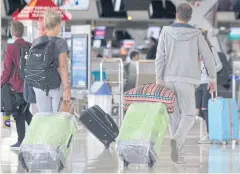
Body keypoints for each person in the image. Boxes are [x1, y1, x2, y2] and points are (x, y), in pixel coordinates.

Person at [155, 3, 216, 164]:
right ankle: (178, 141)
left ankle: (178, 151)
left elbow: (160, 58)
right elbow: (208, 57)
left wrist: (159, 80)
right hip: (187, 80)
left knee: (173, 116)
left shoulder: (165, 32)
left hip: (168, 79)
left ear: (176, 15)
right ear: (190, 17)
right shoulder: (197, 34)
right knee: (188, 115)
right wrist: (212, 78)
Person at [1, 21, 32, 150]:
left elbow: (7, 70)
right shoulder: (30, 46)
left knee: (19, 113)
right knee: (25, 112)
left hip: (15, 86)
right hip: (28, 85)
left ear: (12, 32)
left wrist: (1, 82)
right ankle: (39, 135)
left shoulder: (11, 48)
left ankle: (21, 141)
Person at [31, 9, 70, 112]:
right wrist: (66, 87)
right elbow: (62, 66)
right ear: (57, 25)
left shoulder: (36, 41)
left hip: (39, 85)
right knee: (57, 117)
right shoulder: (61, 43)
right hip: (56, 85)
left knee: (44, 118)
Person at [196, 30, 223, 144]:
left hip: (208, 83)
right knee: (198, 111)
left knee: (205, 109)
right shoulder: (195, 52)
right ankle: (212, 130)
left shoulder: (211, 50)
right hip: (198, 84)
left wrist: (210, 72)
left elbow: (219, 65)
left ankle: (210, 134)